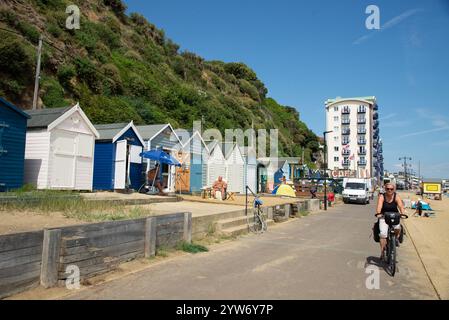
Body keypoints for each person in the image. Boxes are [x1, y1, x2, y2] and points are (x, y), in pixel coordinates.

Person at [375, 183, 406, 260]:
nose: (389, 190)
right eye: (388, 189)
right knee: (383, 234)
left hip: (394, 215)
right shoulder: (382, 196)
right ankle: (382, 252)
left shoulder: (396, 196)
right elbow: (379, 206)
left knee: (398, 227)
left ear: (394, 189)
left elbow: (401, 206)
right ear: (385, 189)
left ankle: (395, 239)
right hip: (384, 216)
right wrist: (378, 213)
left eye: (391, 189)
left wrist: (402, 213)